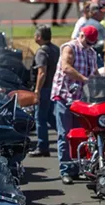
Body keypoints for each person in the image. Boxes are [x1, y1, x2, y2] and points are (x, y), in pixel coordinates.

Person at [52, 25, 98, 184]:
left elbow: (96, 73)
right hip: (65, 97)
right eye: (88, 42)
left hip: (81, 100)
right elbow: (66, 67)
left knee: (80, 134)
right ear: (82, 36)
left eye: (93, 43)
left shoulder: (92, 53)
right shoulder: (70, 47)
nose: (90, 46)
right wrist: (84, 79)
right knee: (64, 134)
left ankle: (79, 168)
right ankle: (65, 170)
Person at [30, 25, 60, 158]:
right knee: (49, 116)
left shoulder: (41, 52)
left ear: (39, 37)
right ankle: (65, 135)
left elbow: (41, 73)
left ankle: (42, 147)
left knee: (39, 118)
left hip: (45, 89)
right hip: (54, 88)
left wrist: (37, 90)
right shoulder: (55, 49)